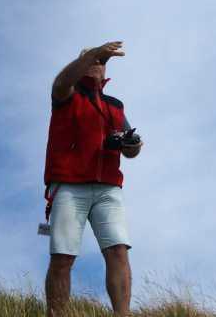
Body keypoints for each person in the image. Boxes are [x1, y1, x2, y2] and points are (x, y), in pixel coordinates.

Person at [43, 40, 143, 317]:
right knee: (63, 257)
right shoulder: (66, 93)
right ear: (82, 64)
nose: (98, 65)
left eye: (102, 62)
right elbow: (62, 80)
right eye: (92, 60)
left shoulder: (115, 105)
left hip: (108, 187)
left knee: (118, 251)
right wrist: (92, 55)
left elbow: (130, 148)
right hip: (69, 184)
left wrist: (131, 146)